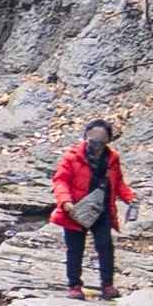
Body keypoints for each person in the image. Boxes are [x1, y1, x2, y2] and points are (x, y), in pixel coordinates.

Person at [54, 118, 134, 296]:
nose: (96, 144)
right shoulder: (72, 156)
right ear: (85, 137)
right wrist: (66, 201)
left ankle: (107, 285)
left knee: (105, 246)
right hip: (76, 209)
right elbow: (61, 180)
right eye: (92, 139)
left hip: (101, 208)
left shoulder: (112, 158)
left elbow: (118, 182)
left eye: (101, 140)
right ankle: (74, 286)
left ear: (108, 140)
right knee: (75, 249)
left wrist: (130, 199)